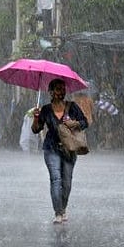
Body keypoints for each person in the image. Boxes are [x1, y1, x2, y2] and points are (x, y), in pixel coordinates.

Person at [31, 79, 89, 224]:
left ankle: (63, 208)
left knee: (67, 181)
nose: (61, 92)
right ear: (51, 92)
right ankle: (58, 212)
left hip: (69, 148)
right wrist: (36, 117)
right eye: (57, 89)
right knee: (55, 180)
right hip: (51, 148)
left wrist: (73, 123)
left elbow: (85, 122)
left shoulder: (72, 107)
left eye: (63, 89)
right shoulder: (45, 109)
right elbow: (36, 129)